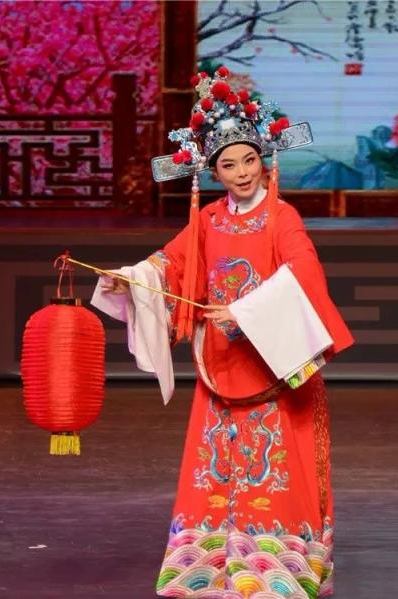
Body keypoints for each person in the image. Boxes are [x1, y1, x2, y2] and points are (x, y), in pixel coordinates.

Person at [92, 66, 353, 598]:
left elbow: (304, 271)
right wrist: (131, 277)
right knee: (214, 464)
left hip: (274, 360)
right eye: (228, 165)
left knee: (276, 465)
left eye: (249, 160)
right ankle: (207, 570)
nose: (241, 173)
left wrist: (248, 311)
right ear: (213, 171)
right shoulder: (209, 220)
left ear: (264, 160)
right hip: (222, 363)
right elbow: (170, 263)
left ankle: (277, 573)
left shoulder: (282, 217)